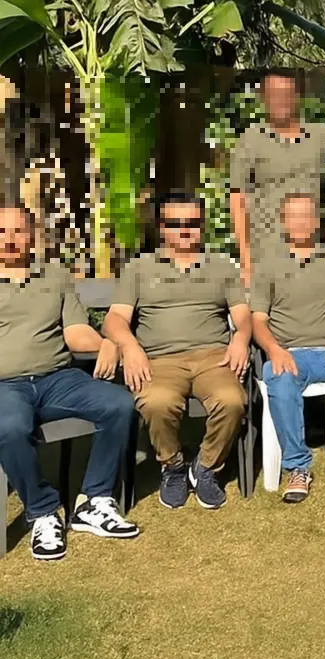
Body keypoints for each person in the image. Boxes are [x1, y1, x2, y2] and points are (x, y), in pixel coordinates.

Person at [0, 204, 138, 561]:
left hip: (58, 378)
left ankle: (94, 500)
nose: (10, 240)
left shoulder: (54, 275)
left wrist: (108, 343)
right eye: (2, 232)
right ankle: (44, 512)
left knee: (118, 404)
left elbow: (76, 333)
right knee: (10, 427)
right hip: (6, 385)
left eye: (18, 231)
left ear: (32, 236)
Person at [104, 191, 252, 511]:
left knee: (233, 400)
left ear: (203, 226)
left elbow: (242, 316)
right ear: (162, 227)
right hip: (159, 358)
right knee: (157, 402)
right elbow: (115, 319)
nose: (185, 230)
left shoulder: (221, 266)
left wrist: (241, 339)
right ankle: (172, 466)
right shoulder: (140, 268)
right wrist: (130, 346)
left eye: (192, 223)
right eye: (175, 223)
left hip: (213, 356)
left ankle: (206, 467)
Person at [250, 192, 325, 503]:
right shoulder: (267, 266)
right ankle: (297, 466)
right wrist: (274, 350)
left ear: (316, 221)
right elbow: (258, 320)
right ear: (283, 221)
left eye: (307, 215)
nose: (302, 222)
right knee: (278, 378)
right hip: (288, 351)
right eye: (294, 216)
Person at [230, 70, 325, 287]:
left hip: (308, 250)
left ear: (297, 96)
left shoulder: (320, 135)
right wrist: (245, 259)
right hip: (265, 250)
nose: (281, 100)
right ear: (263, 98)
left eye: (287, 93)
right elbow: (237, 199)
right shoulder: (250, 139)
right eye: (274, 94)